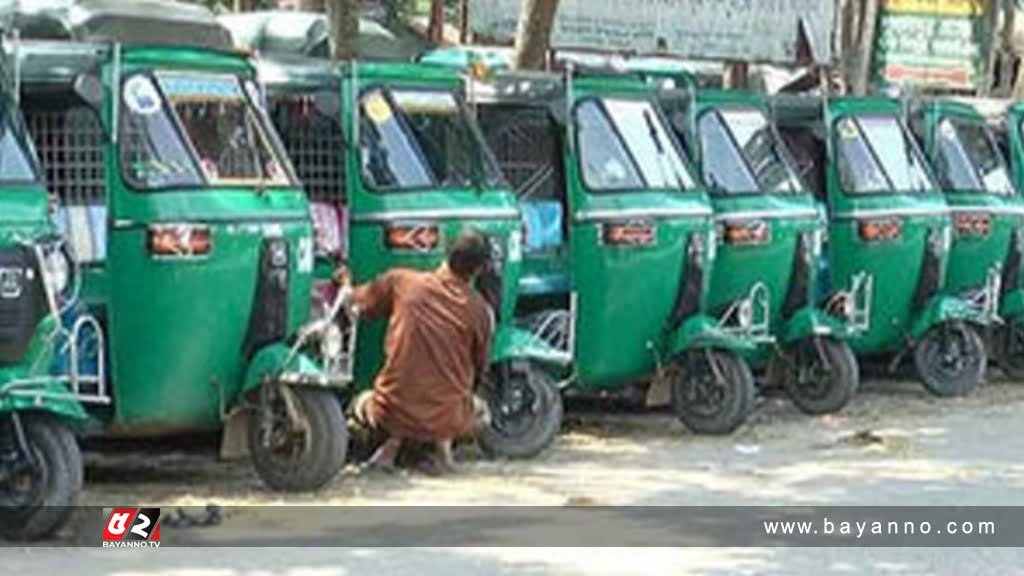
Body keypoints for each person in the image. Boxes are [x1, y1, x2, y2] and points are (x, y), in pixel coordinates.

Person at [343, 232, 494, 474]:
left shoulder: (403, 282)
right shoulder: (479, 311)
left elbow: (357, 302)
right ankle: (442, 450)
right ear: (478, 270)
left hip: (389, 411)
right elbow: (479, 368)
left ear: (445, 253)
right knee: (481, 413)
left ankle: (389, 448)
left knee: (359, 403)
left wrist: (344, 283)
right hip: (449, 418)